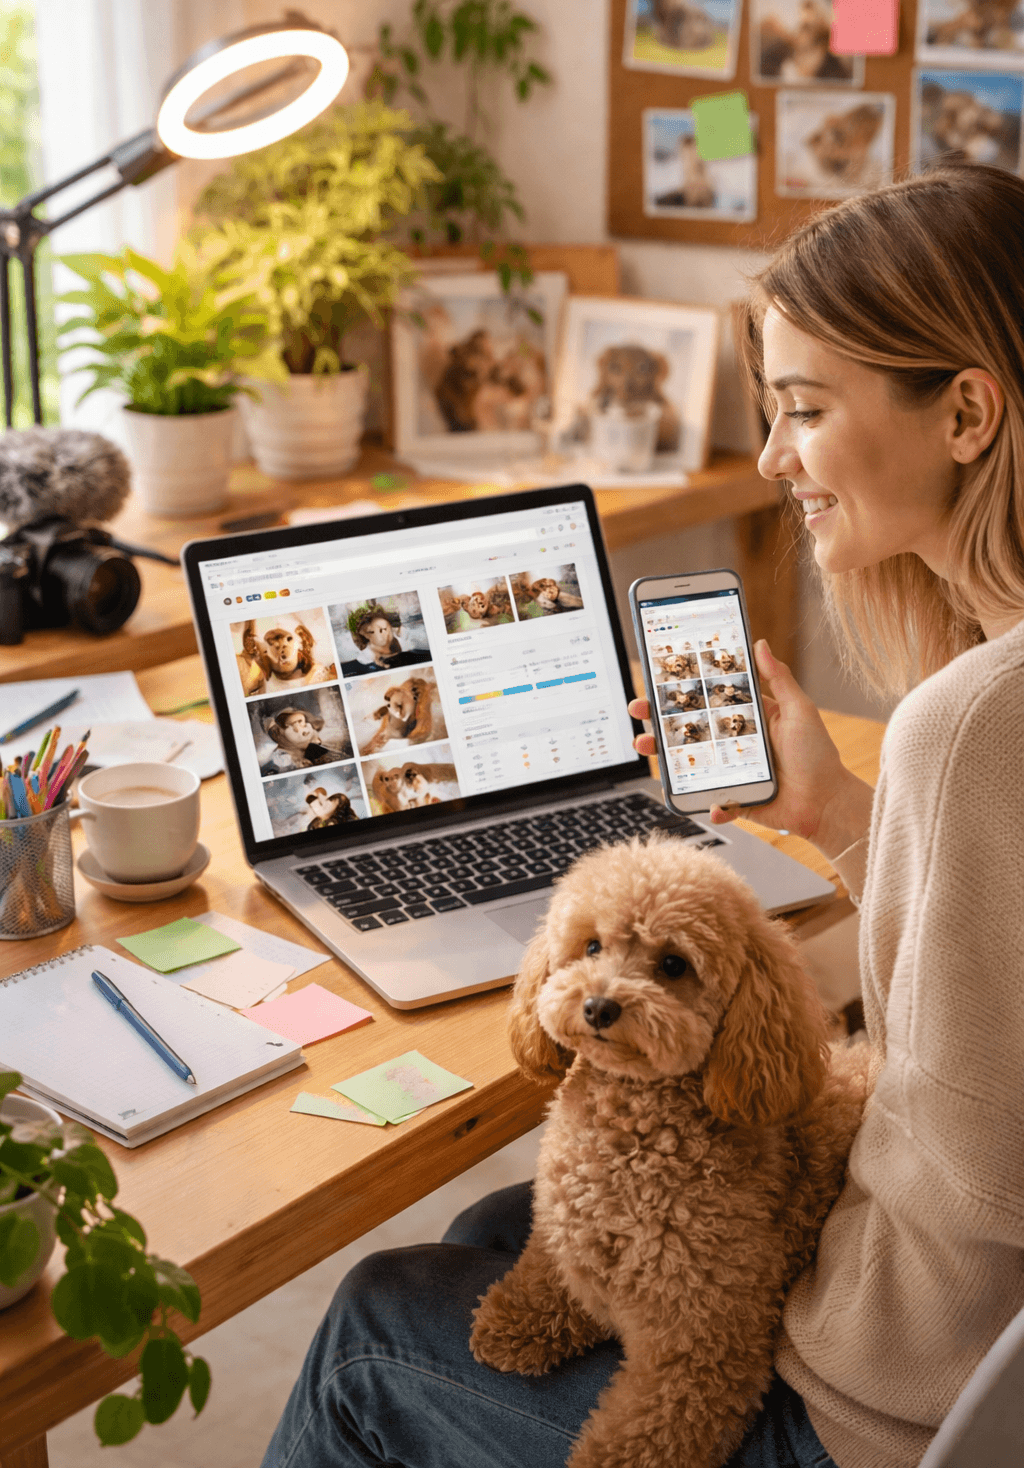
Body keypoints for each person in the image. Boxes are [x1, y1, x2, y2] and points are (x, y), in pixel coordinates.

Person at [261, 163, 1024, 1468]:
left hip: (890, 1410)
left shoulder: (969, 723)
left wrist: (768, 1249)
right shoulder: (981, 711)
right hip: (965, 1353)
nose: (774, 458)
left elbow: (969, 1174)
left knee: (375, 1325)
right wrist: (835, 810)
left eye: (804, 410)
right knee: (503, 1234)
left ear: (965, 412)